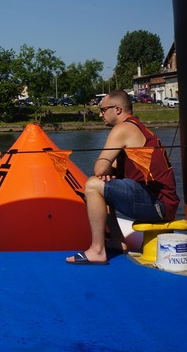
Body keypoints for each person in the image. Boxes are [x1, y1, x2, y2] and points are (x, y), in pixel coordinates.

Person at [66, 90, 180, 265]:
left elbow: (99, 168)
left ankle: (97, 250)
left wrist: (104, 173)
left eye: (103, 110)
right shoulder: (136, 127)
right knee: (104, 185)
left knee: (92, 185)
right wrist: (107, 173)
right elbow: (109, 171)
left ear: (117, 109)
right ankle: (116, 241)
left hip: (158, 205)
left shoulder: (123, 128)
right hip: (162, 203)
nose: (100, 114)